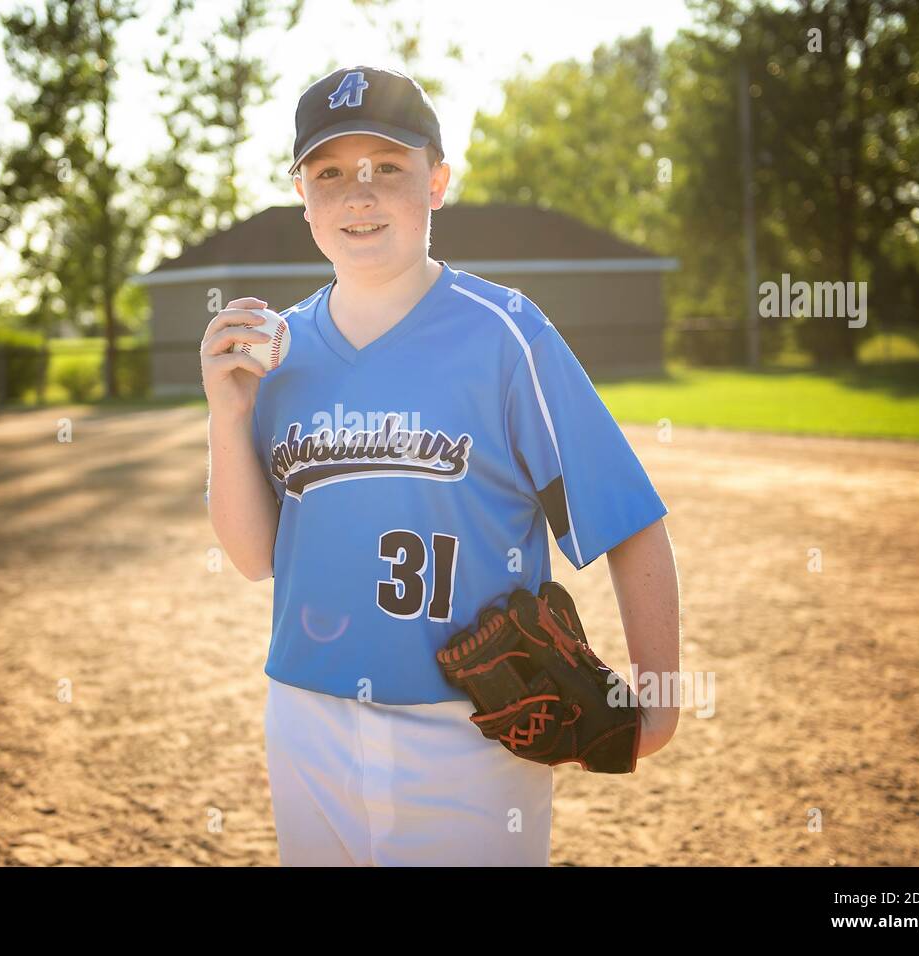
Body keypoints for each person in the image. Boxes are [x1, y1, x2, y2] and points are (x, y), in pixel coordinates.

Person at [201, 66, 681, 866]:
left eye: (386, 167)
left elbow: (628, 522)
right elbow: (254, 559)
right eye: (330, 173)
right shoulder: (276, 356)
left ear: (437, 181)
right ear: (302, 195)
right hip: (305, 719)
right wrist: (227, 417)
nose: (359, 194)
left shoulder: (506, 335)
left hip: (473, 730)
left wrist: (659, 703)